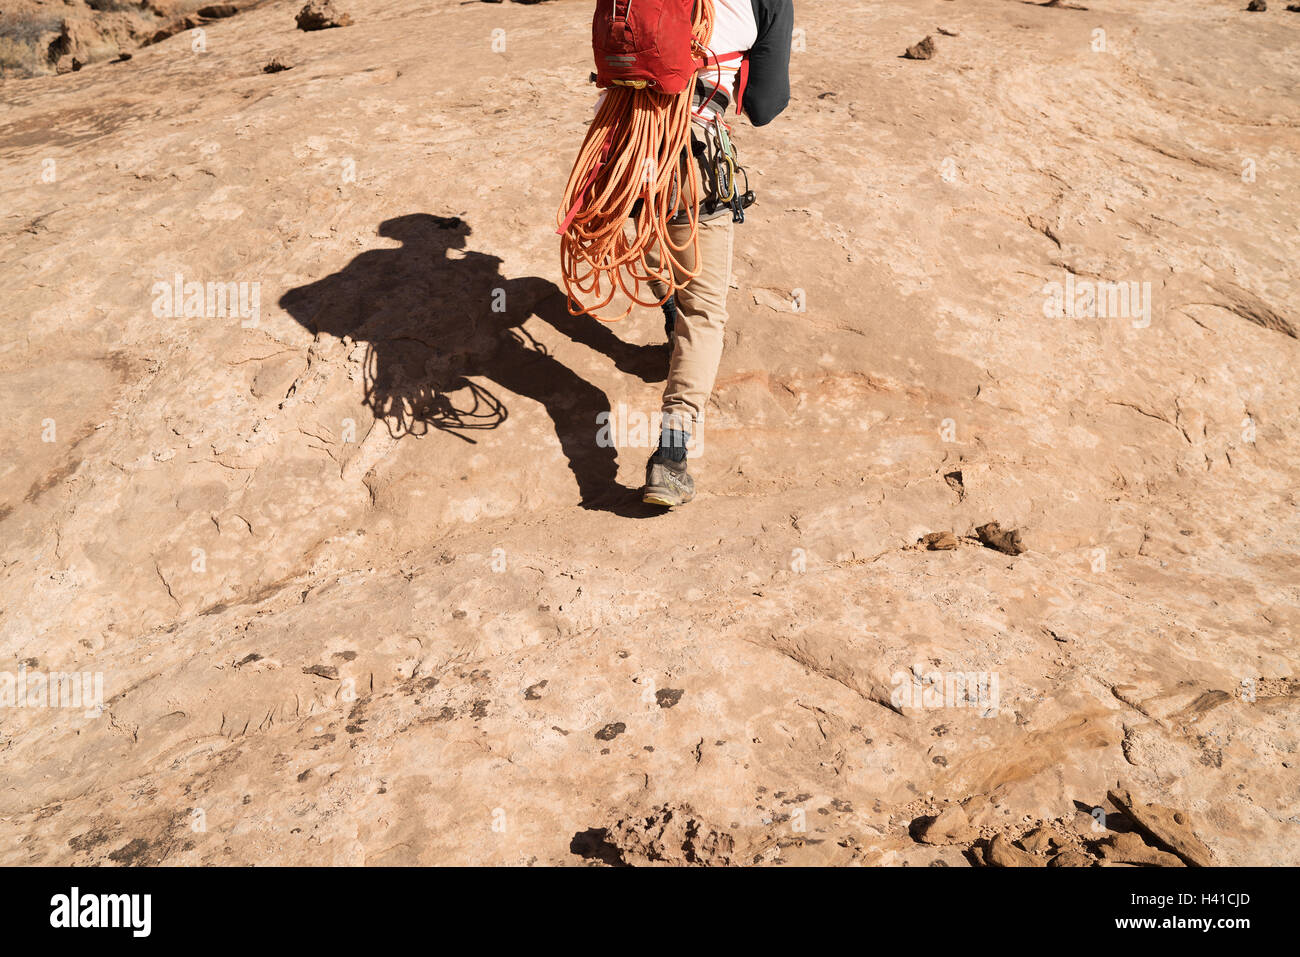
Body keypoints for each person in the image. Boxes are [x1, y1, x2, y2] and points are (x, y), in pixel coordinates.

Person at [640, 0, 794, 508]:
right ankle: (671, 455)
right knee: (702, 313)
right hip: (694, 155)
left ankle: (668, 316)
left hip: (624, 151)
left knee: (649, 238)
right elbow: (765, 107)